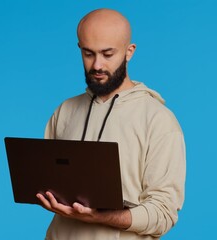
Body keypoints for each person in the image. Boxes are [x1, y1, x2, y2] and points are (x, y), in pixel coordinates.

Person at [36, 8, 186, 240]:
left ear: (129, 52)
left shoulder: (158, 120)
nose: (97, 65)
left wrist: (101, 216)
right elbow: (47, 181)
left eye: (108, 54)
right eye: (88, 53)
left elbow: (163, 214)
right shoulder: (65, 111)